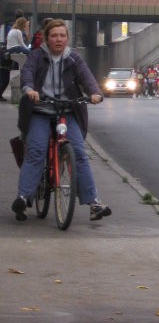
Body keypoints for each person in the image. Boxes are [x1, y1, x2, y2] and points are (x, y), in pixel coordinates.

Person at [11, 19, 111, 223]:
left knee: (79, 153)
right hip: (40, 110)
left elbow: (87, 78)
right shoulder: (36, 56)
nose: (59, 39)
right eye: (54, 35)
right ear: (47, 38)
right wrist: (29, 90)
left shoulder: (74, 59)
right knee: (36, 150)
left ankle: (94, 203)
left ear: (67, 38)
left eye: (62, 35)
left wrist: (94, 93)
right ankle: (24, 197)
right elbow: (27, 75)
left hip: (67, 111)